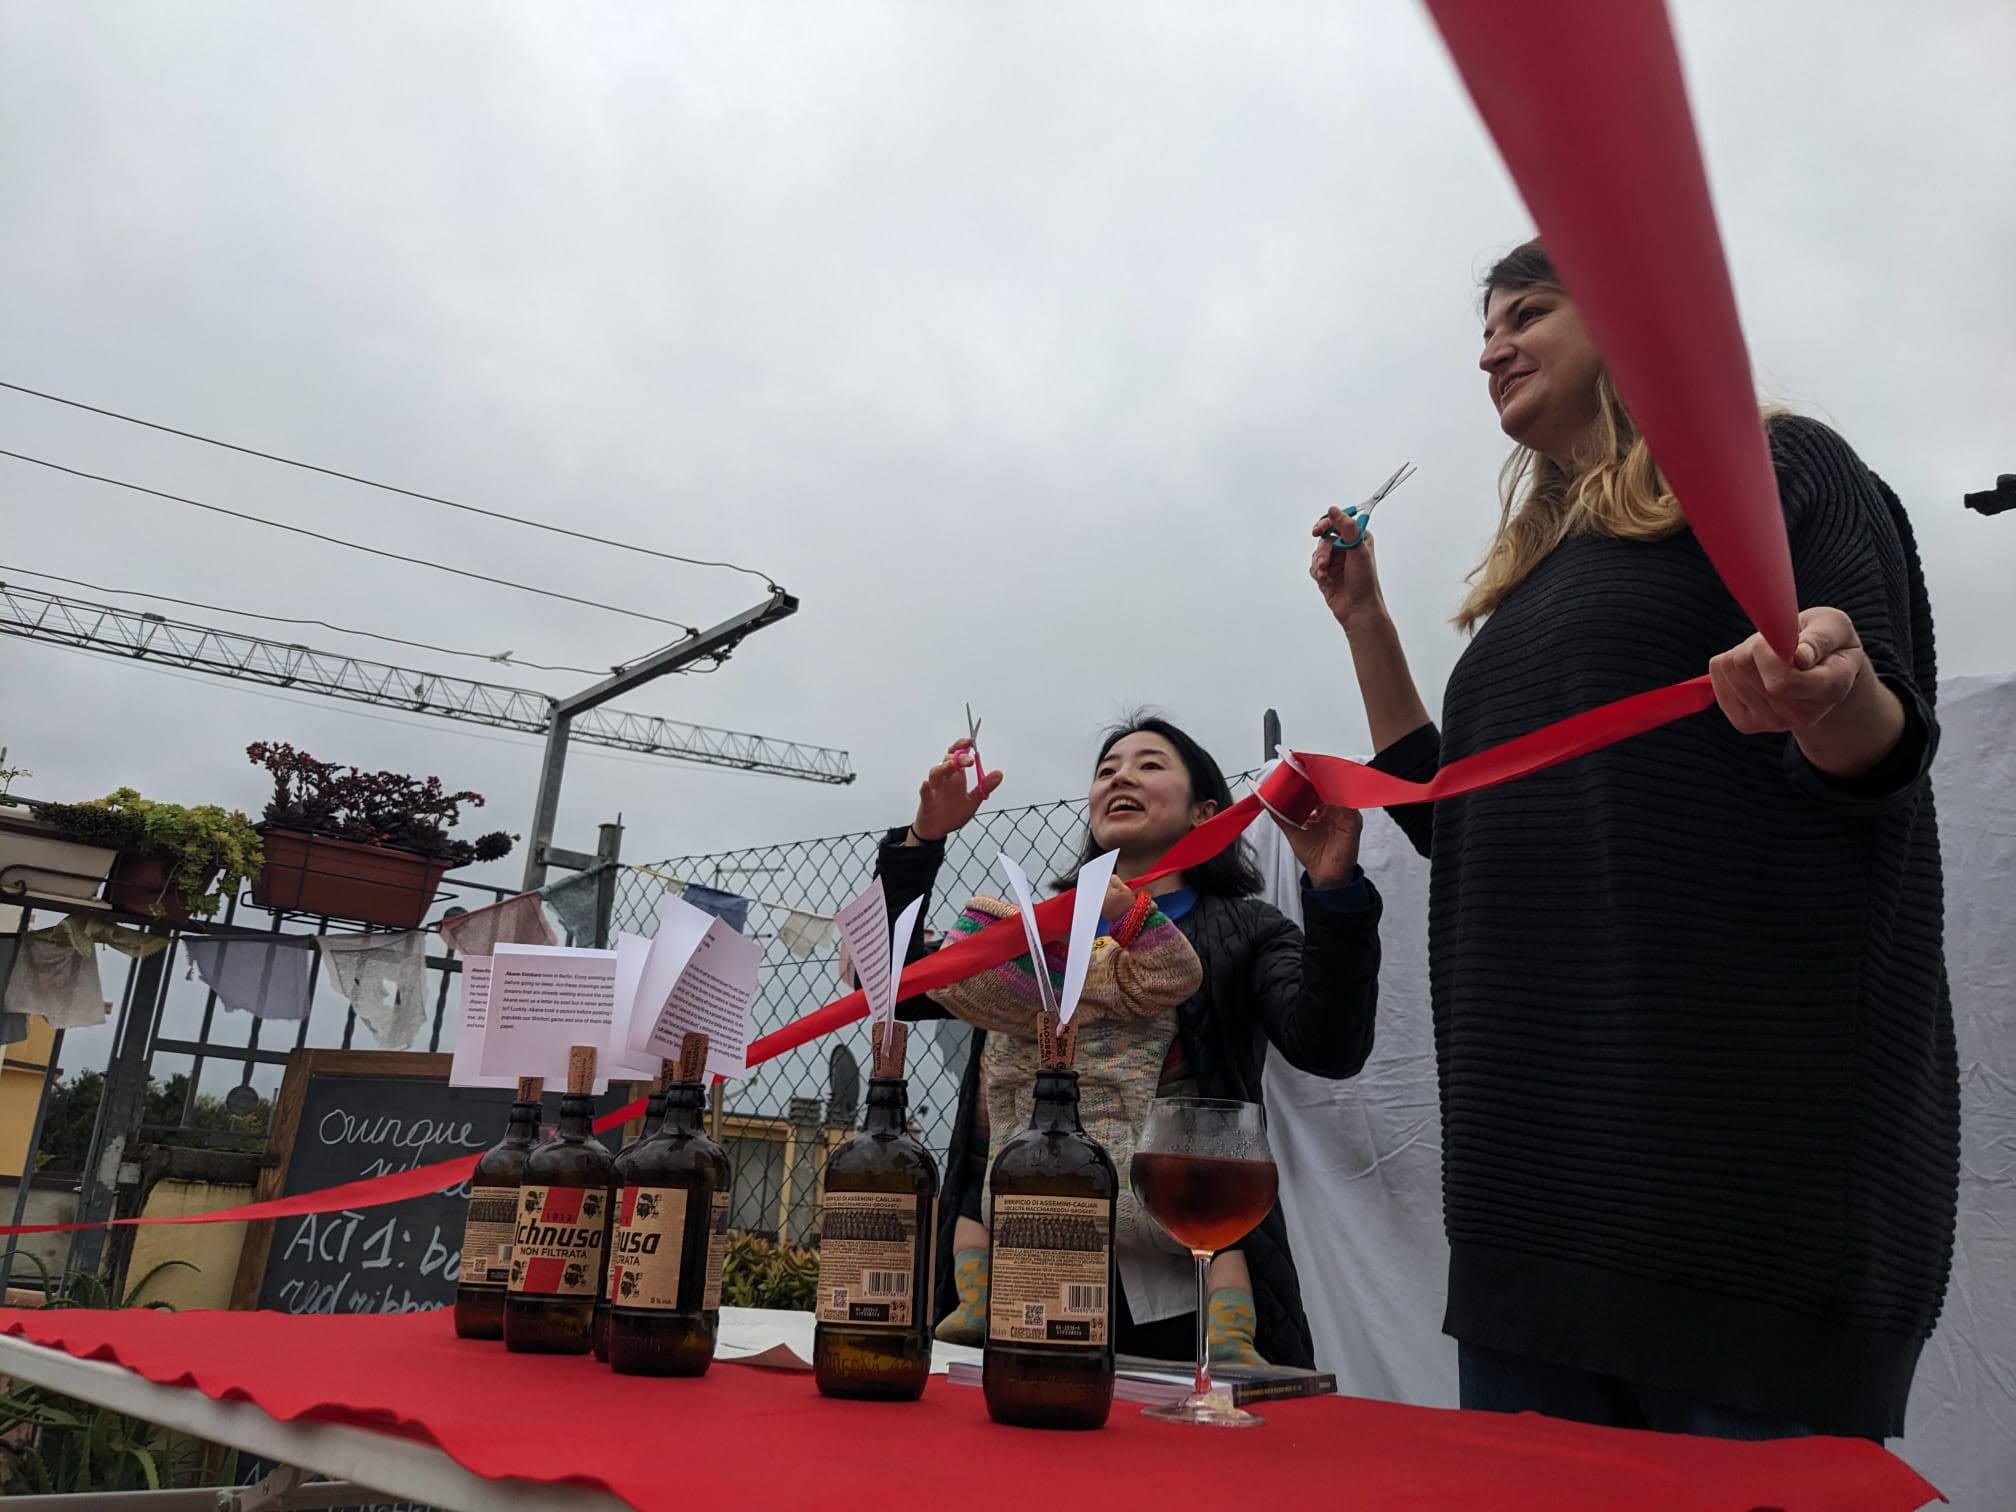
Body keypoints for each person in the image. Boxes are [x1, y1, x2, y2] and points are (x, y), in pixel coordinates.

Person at [1308, 237, 1956, 1440]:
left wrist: (1832, 690)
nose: (1494, 349)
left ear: (1623, 315)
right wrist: (1366, 622)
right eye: (1485, 329)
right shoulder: (1537, 585)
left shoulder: (1777, 464)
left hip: (1736, 1211)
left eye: (1527, 312)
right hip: (1532, 1210)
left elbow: (1881, 746)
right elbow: (1460, 817)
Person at [877, 716, 1381, 1368]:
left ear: (1205, 812)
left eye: (1149, 764)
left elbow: (1330, 1046)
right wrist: (923, 839)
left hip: (1184, 1287)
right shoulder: (1032, 935)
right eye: (1107, 769)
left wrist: (1334, 889)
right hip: (1019, 1270)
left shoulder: (1247, 931)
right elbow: (885, 981)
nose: (1121, 777)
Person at [924, 871, 1216, 1350]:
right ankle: (1230, 1329)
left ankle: (975, 1300)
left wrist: (1128, 914)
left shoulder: (1097, 973)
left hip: (1078, 1174)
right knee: (1212, 1234)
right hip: (1097, 1176)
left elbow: (947, 978)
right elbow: (1176, 972)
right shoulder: (1105, 981)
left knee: (981, 1211)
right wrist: (1131, 916)